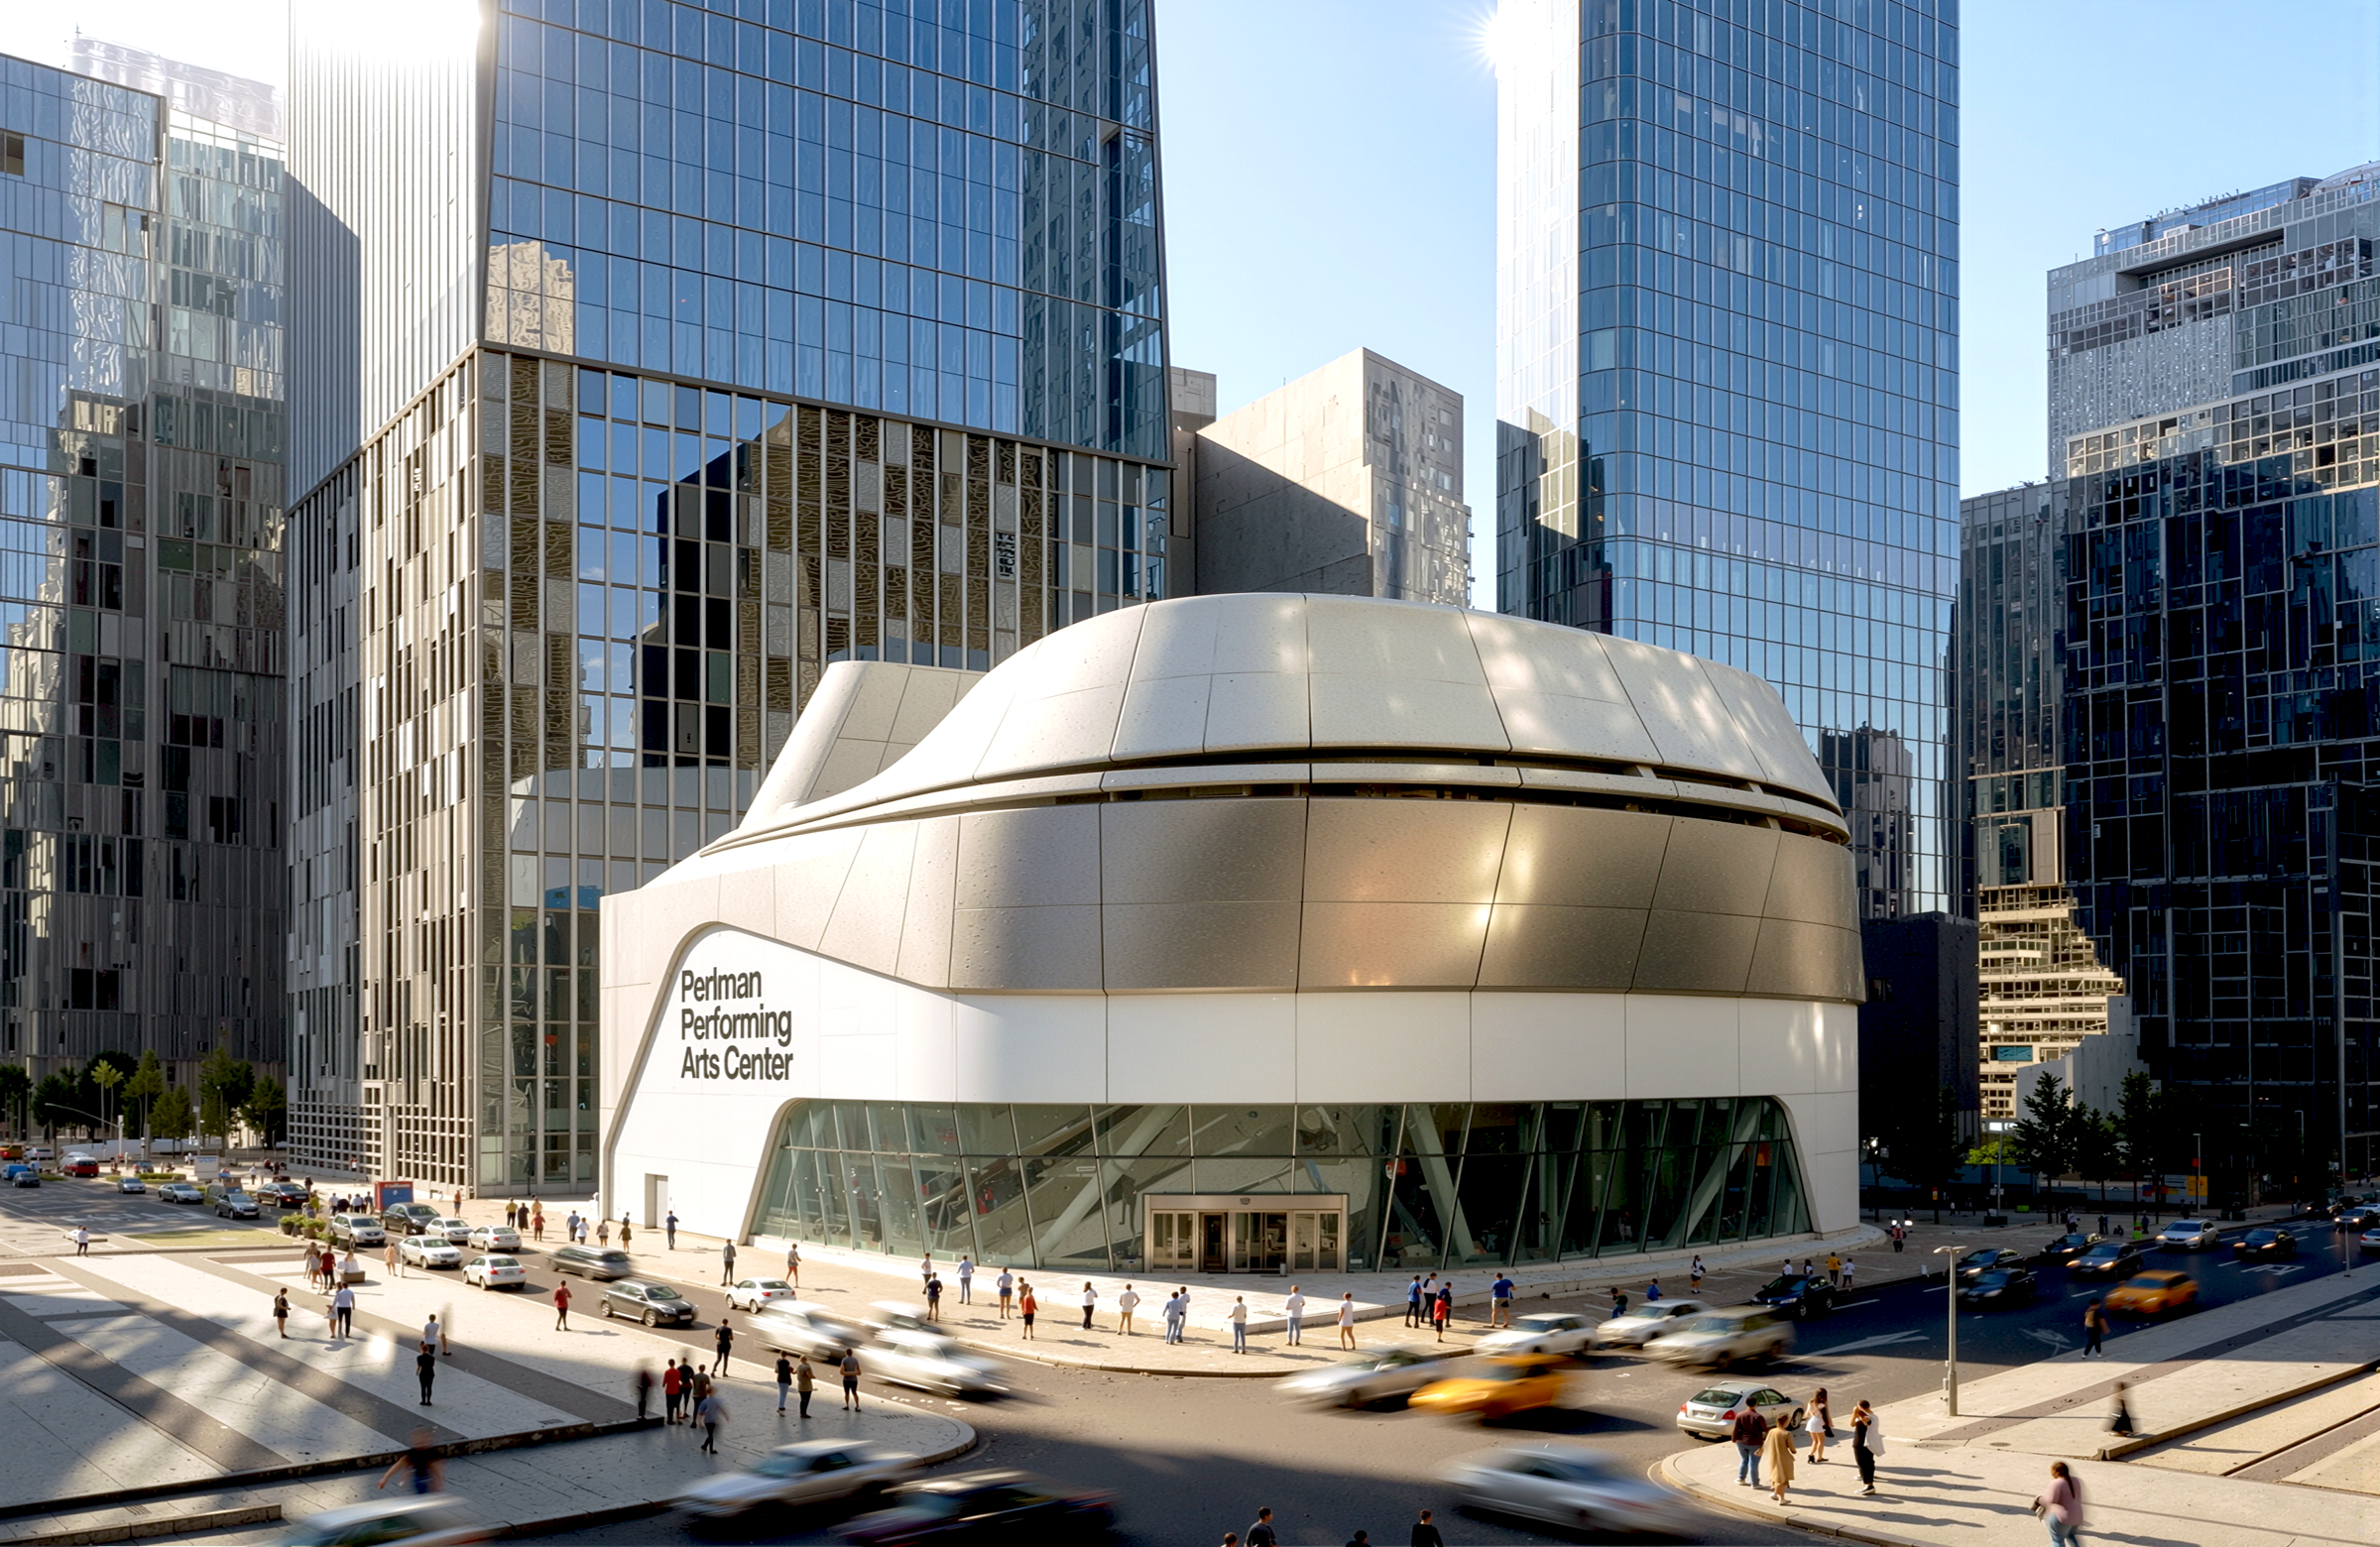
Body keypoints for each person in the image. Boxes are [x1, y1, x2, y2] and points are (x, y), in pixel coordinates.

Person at [377, 1428, 443, 1494]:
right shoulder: (413, 1453)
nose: (421, 1443)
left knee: (424, 1491)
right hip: (418, 1479)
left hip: (427, 1478)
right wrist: (385, 1478)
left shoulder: (430, 1453)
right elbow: (398, 1465)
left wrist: (439, 1480)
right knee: (421, 1491)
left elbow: (436, 1468)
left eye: (424, 1439)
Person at [2035, 1459, 2084, 1545]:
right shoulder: (2076, 1480)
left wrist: (2038, 1499)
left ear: (2054, 1471)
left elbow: (2050, 1501)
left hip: (2062, 1518)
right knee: (2070, 1535)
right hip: (2077, 1516)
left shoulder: (2056, 1483)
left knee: (2057, 1539)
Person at [1763, 1410, 1798, 1504]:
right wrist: (1794, 1451)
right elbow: (1792, 1448)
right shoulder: (1787, 1434)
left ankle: (1775, 1494)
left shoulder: (1772, 1431)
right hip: (1784, 1458)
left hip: (1773, 1457)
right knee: (1783, 1480)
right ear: (1786, 1421)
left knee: (1776, 1477)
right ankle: (1781, 1499)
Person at [1731, 1403, 1768, 1488]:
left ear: (1746, 1404)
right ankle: (1755, 1483)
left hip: (1741, 1441)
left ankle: (1741, 1478)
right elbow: (1765, 1428)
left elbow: (1736, 1428)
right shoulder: (1758, 1417)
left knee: (1744, 1460)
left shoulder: (1740, 1415)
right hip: (1755, 1442)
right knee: (1753, 1463)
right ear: (1755, 1404)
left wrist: (1734, 1439)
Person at [1851, 1399, 1882, 1494]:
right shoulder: (1873, 1416)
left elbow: (1866, 1423)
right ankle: (1868, 1480)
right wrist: (1855, 1415)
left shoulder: (1867, 1417)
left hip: (1862, 1442)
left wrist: (1860, 1415)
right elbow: (1852, 1424)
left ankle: (1868, 1484)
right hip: (1870, 1442)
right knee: (1869, 1462)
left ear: (1860, 1407)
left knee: (1862, 1463)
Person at [695, 1386, 725, 1454]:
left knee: (711, 1434)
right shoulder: (716, 1401)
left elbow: (700, 1412)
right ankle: (710, 1449)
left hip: (707, 1420)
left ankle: (705, 1446)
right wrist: (725, 1415)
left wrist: (700, 1421)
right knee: (711, 1435)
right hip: (713, 1419)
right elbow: (721, 1409)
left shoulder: (705, 1401)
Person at [1808, 1386, 1834, 1463]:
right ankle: (1819, 1457)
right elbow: (1826, 1414)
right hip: (1819, 1422)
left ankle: (1810, 1454)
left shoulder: (1811, 1402)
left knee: (1815, 1441)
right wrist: (1830, 1423)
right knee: (1821, 1441)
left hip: (1812, 1422)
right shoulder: (1823, 1403)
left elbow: (1809, 1412)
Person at [840, 1346, 862, 1410]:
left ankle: (847, 1405)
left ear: (846, 1353)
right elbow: (859, 1372)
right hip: (854, 1379)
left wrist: (847, 1373)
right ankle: (857, 1406)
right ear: (852, 1353)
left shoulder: (844, 1360)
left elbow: (841, 1372)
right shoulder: (855, 1360)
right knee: (854, 1393)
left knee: (846, 1393)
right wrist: (854, 1373)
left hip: (846, 1379)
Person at [663, 1359, 684, 1424]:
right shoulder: (678, 1372)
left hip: (669, 1391)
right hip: (676, 1390)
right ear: (674, 1363)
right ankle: (676, 1418)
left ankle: (669, 1418)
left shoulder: (667, 1372)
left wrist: (663, 1385)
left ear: (669, 1364)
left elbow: (665, 1381)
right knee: (675, 1405)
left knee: (669, 1405)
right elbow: (678, 1380)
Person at [794, 1353, 814, 1418]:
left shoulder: (799, 1366)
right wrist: (813, 1377)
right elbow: (809, 1375)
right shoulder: (807, 1367)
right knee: (806, 1400)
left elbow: (794, 1372)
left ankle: (801, 1413)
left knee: (802, 1400)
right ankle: (804, 1413)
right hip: (807, 1386)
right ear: (806, 1359)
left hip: (800, 1385)